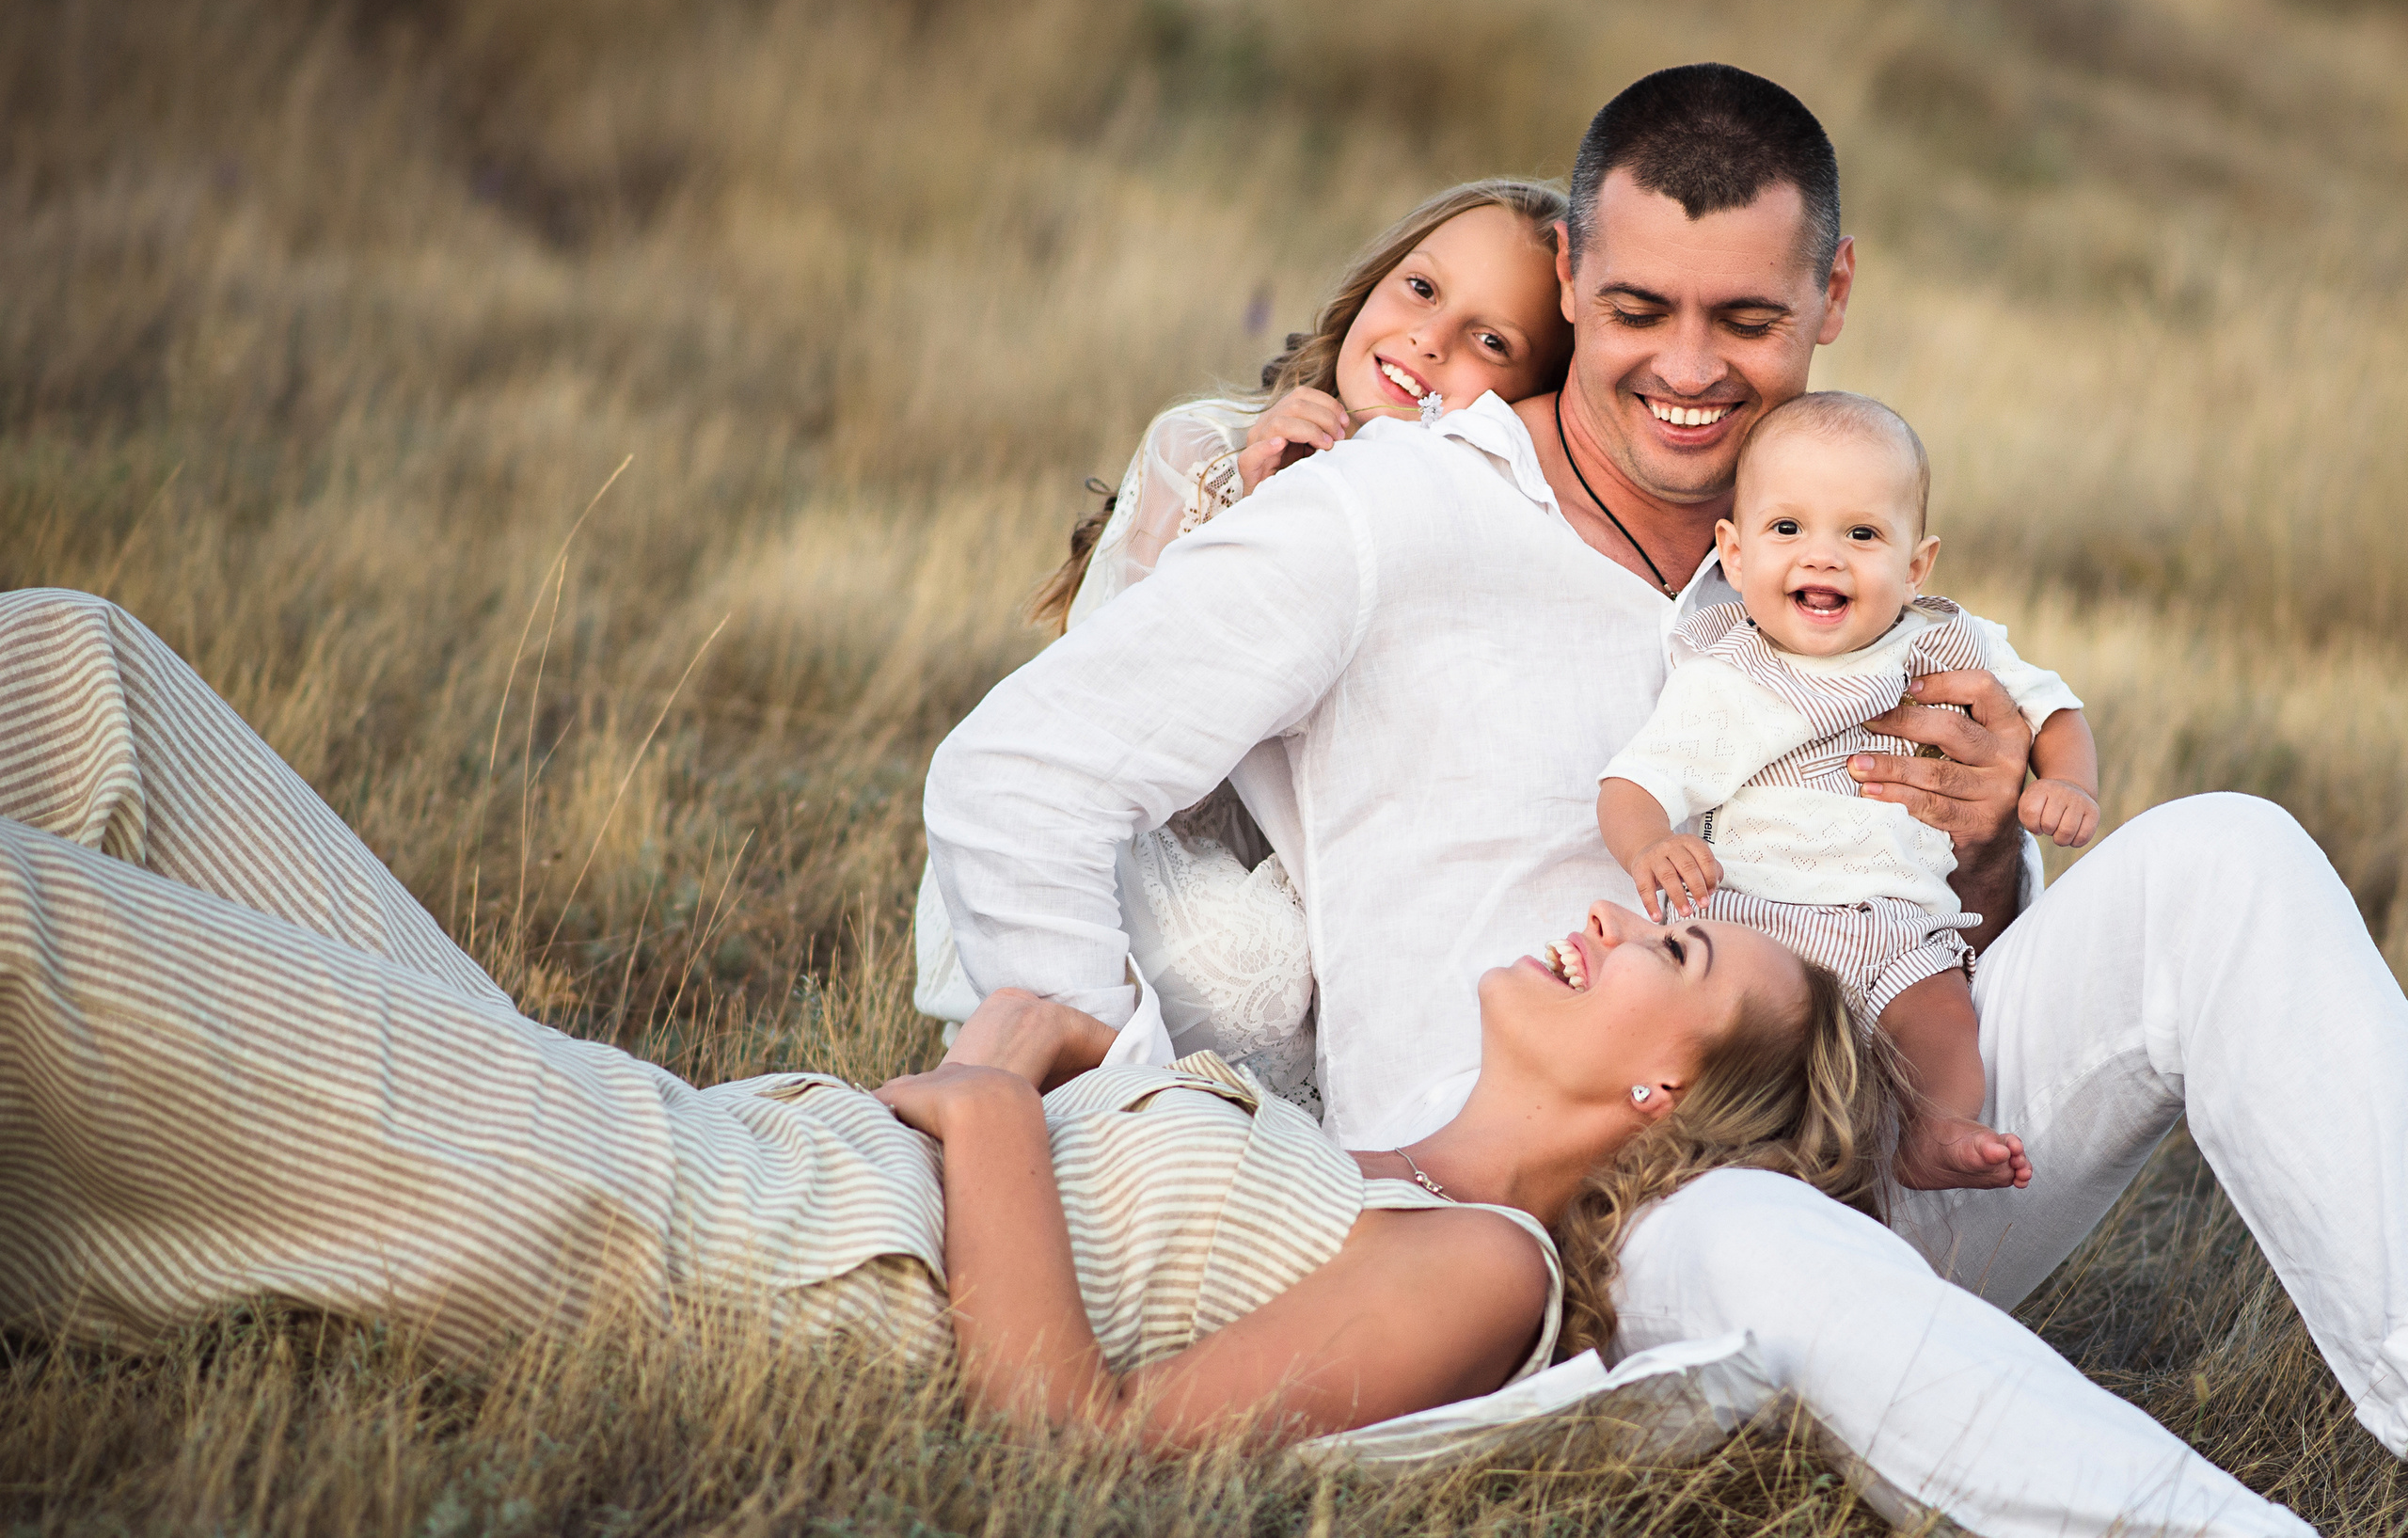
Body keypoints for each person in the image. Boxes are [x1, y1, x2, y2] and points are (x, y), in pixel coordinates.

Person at [922, 63, 2389, 1534]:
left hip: (1898, 1132)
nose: (1689, 369)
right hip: (1594, 1226)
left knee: (2229, 853)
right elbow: (1023, 769)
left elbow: (1935, 928)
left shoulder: (1817, 542)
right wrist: (1122, 1115)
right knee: (1749, 1228)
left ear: (1833, 291)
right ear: (1570, 273)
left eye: (1746, 319)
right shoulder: (1387, 511)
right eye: (1637, 310)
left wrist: (1988, 846)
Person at [0, 586, 1872, 1451]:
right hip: (684, 1135)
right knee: (80, 668)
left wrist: (988, 1110)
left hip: (710, 1259)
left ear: (1664, 1090)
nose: (1616, 914)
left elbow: (1078, 1448)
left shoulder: (1480, 1268)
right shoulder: (1367, 1148)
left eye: (1675, 953)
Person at [914, 179, 1575, 1110]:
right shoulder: (1204, 447)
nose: (1431, 340)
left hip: (1313, 863)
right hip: (1147, 849)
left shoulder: (1484, 542)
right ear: (1374, 282)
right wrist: (1258, 520)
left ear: (1534, 402)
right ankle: (1088, 1092)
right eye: (1422, 289)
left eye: (1491, 341)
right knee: (1245, 957)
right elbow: (1103, 735)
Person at [1596, 389, 2100, 1192]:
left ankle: (1936, 1130)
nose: (1823, 557)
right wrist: (1650, 843)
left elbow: (2054, 711)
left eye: (1861, 534)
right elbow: (1635, 781)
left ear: (1916, 565)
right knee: (1732, 1052)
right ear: (1734, 553)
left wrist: (2067, 780)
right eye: (1787, 529)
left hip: (1897, 925)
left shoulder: (1945, 639)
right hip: (1761, 921)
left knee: (1943, 1024)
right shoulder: (1729, 675)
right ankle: (1708, 1172)